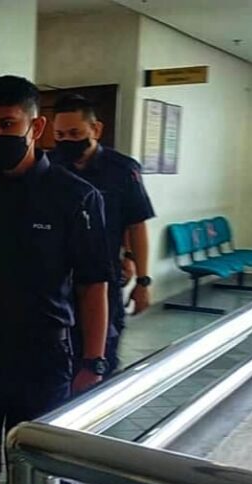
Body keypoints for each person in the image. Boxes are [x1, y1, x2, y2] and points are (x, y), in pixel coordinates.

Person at [0, 76, 113, 484]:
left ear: (36, 128)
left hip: (42, 356)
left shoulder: (75, 197)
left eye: (7, 124)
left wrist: (93, 361)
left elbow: (93, 285)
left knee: (39, 473)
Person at [50, 93, 156, 374]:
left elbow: (136, 224)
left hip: (104, 280)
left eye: (75, 133)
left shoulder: (122, 170)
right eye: (60, 135)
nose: (67, 141)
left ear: (95, 129)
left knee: (100, 359)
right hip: (56, 281)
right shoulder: (49, 166)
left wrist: (142, 280)